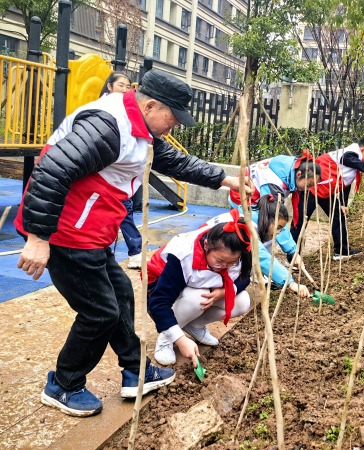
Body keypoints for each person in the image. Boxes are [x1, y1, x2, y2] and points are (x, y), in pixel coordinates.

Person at [14, 69, 251, 417]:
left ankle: (135, 372)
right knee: (99, 312)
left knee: (121, 292)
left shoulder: (140, 126)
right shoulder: (107, 127)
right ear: (152, 104)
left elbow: (173, 161)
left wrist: (226, 180)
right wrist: (38, 237)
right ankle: (64, 384)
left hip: (91, 233)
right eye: (172, 118)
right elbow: (52, 170)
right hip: (66, 233)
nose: (173, 126)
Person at [148, 199, 310, 365]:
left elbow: (244, 278)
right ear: (206, 246)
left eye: (231, 263)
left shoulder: (240, 246)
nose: (225, 266)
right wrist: (180, 339)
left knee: (242, 301)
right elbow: (158, 302)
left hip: (201, 280)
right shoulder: (184, 256)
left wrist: (226, 290)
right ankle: (166, 339)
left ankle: (194, 325)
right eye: (220, 261)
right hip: (161, 287)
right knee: (197, 298)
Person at [290, 136, 364, 260]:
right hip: (310, 188)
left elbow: (345, 181)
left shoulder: (352, 158)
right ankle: (293, 258)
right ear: (363, 149)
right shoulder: (348, 155)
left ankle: (342, 251)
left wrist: (343, 203)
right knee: (299, 222)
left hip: (327, 190)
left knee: (339, 215)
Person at [229, 151, 321, 270]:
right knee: (267, 232)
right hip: (244, 199)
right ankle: (256, 270)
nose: (308, 189)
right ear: (299, 175)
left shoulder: (290, 166)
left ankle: (257, 268)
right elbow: (275, 218)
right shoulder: (274, 183)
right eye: (308, 185)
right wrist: (293, 252)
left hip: (253, 196)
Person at [99, 72, 143, 269]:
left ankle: (135, 252)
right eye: (120, 85)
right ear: (109, 87)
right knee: (103, 217)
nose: (125, 89)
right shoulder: (102, 109)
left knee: (125, 213)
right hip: (104, 175)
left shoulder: (130, 111)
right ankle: (102, 253)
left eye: (127, 86)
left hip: (121, 175)